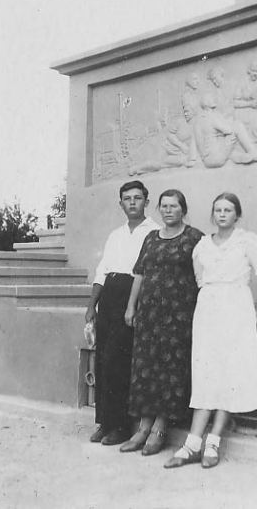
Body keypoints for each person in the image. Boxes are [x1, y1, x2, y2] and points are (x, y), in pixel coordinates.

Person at [164, 192, 257, 469]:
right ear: (213, 215)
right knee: (206, 373)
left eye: (228, 210)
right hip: (208, 311)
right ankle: (192, 444)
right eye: (218, 210)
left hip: (236, 310)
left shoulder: (247, 241)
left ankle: (212, 441)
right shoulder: (201, 245)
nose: (222, 214)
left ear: (237, 215)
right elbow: (200, 279)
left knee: (229, 373)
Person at [120, 189, 204, 456]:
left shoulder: (194, 238)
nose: (168, 210)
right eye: (164, 206)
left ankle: (159, 428)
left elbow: (203, 276)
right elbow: (139, 274)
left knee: (170, 372)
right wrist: (131, 306)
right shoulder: (151, 237)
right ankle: (143, 428)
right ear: (159, 209)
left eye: (174, 206)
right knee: (146, 369)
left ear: (183, 209)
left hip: (179, 317)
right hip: (150, 316)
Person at [85, 180, 159, 445]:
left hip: (133, 294)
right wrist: (91, 305)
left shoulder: (154, 232)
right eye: (127, 198)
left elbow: (148, 274)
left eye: (137, 198)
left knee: (121, 362)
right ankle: (105, 423)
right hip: (110, 294)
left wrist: (136, 305)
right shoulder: (115, 234)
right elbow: (102, 270)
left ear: (146, 202)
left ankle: (121, 426)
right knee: (104, 359)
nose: (132, 203)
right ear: (121, 204)